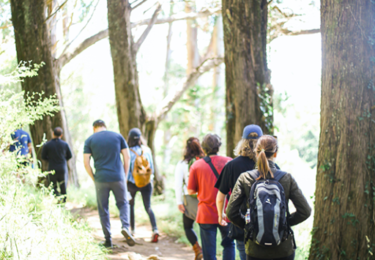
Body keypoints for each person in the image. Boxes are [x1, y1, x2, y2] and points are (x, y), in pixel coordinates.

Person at [226, 135, 311, 260]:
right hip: (283, 248)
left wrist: (250, 226)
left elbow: (231, 212)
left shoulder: (245, 178)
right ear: (275, 153)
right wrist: (284, 223)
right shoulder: (287, 178)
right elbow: (305, 211)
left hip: (255, 249)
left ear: (256, 152)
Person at [83, 119, 135, 248]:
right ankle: (126, 227)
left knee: (103, 209)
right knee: (123, 204)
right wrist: (124, 175)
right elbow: (127, 156)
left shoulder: (90, 140)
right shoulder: (117, 136)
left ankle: (108, 240)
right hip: (118, 177)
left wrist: (93, 177)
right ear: (105, 127)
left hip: (101, 178)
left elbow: (86, 162)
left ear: (94, 128)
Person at [215, 125, 263, 260]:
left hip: (241, 222)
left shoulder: (231, 165)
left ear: (242, 142)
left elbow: (220, 196)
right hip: (266, 221)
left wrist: (221, 214)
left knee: (244, 254)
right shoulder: (269, 165)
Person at [187, 133, 235, 260]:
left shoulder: (196, 165)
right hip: (227, 212)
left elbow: (190, 190)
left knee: (209, 252)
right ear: (219, 146)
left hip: (206, 213)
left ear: (203, 148)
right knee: (229, 245)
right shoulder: (230, 162)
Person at [174, 137, 205, 260]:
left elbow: (178, 184)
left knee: (188, 227)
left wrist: (179, 202)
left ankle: (197, 249)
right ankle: (207, 251)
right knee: (205, 227)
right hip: (205, 199)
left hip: (189, 199)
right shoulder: (205, 161)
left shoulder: (182, 164)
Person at [127, 128, 159, 243]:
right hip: (146, 182)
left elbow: (126, 169)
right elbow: (152, 169)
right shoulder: (147, 150)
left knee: (131, 205)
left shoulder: (128, 151)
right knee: (148, 206)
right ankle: (155, 229)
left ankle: (131, 230)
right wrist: (151, 179)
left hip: (132, 183)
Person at [42, 127, 72, 203]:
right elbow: (70, 155)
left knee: (53, 186)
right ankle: (64, 201)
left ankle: (57, 198)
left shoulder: (47, 145)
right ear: (61, 135)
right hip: (62, 168)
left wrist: (50, 159)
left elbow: (43, 157)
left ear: (53, 133)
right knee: (63, 186)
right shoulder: (64, 144)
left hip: (52, 167)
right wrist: (64, 159)